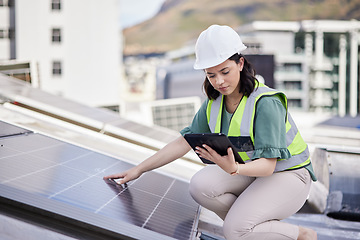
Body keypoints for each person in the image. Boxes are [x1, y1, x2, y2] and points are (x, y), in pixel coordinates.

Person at [104, 24, 318, 240]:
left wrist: (233, 168)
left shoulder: (266, 102)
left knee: (235, 231)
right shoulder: (214, 103)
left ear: (240, 63)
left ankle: (301, 235)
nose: (219, 82)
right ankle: (254, 229)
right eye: (211, 75)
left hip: (289, 175)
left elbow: (268, 165)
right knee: (200, 186)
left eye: (225, 72)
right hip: (251, 173)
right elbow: (183, 142)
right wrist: (138, 170)